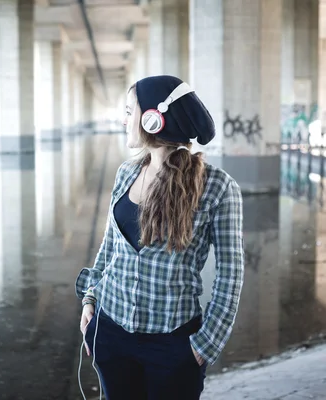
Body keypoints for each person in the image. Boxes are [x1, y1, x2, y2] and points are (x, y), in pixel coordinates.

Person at [75, 75, 245, 400]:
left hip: (173, 344)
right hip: (109, 332)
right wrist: (90, 300)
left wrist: (205, 345)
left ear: (153, 119)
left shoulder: (219, 188)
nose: (124, 120)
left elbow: (230, 277)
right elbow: (109, 247)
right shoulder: (126, 172)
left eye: (129, 111)